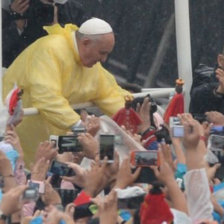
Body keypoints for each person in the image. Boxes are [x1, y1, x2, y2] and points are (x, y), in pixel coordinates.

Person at [3, 18, 131, 164]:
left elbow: (110, 94)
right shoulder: (50, 49)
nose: (103, 59)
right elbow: (46, 97)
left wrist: (131, 118)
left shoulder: (90, 64)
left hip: (51, 147)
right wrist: (79, 127)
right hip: (18, 137)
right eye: (102, 53)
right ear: (86, 42)